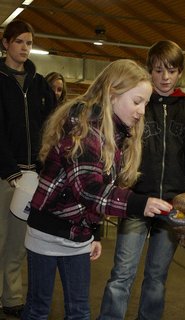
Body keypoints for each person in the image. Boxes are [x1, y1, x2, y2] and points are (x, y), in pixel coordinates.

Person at [21, 58, 173, 320]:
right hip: (46, 232)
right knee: (38, 307)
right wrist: (140, 204)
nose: (141, 111)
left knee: (79, 310)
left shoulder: (114, 135)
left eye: (146, 104)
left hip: (78, 236)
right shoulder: (83, 131)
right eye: (137, 101)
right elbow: (89, 190)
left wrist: (94, 234)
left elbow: (102, 189)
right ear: (112, 93)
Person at [99, 40, 185, 320]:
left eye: (171, 71)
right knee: (122, 272)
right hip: (136, 200)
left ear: (180, 73)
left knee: (157, 276)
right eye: (159, 70)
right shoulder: (139, 106)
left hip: (173, 206)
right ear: (150, 71)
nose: (165, 77)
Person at [0, 20, 57, 319]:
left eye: (29, 42)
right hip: (2, 175)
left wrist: (42, 168)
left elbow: (52, 127)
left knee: (18, 241)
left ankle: (11, 297)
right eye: (19, 41)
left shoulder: (40, 84)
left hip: (32, 177)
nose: (24, 47)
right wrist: (10, 171)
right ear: (6, 43)